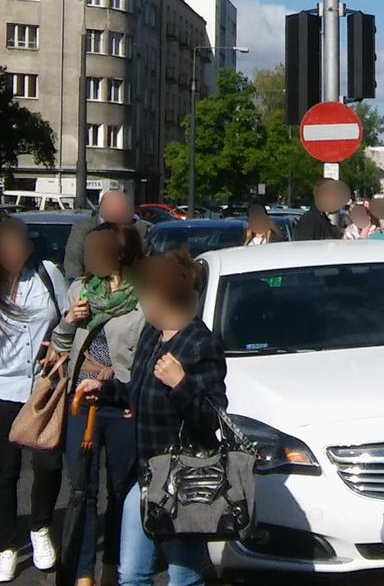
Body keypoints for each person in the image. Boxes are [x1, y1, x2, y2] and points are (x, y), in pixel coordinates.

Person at [76, 249, 226, 586]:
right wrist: (103, 389)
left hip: (185, 478)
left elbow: (211, 415)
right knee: (131, 574)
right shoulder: (152, 335)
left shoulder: (199, 343)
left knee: (182, 576)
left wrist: (180, 383)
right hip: (146, 473)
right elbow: (137, 390)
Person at [53, 223, 146, 586]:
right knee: (81, 489)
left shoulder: (141, 295)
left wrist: (135, 397)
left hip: (122, 402)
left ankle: (115, 562)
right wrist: (68, 321)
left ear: (118, 254)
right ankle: (83, 572)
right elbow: (61, 346)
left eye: (96, 252)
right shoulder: (80, 290)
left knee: (122, 488)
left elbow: (149, 353)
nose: (87, 259)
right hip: (82, 400)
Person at [0, 219, 68, 582]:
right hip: (1, 389)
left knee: (48, 464)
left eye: (20, 242)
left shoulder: (46, 274)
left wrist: (60, 341)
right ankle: (6, 545)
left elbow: (67, 315)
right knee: (4, 472)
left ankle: (40, 527)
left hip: (44, 387)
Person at [63, 190, 151, 281]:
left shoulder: (139, 228)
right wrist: (83, 289)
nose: (122, 211)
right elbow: (73, 267)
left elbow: (144, 263)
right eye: (116, 207)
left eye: (125, 207)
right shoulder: (83, 229)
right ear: (102, 209)